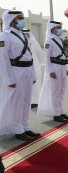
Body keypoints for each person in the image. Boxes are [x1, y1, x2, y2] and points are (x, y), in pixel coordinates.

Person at [0, 10, 40, 141]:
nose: (23, 20)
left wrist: (33, 74)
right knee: (17, 102)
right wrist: (8, 78)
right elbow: (3, 59)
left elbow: (30, 56)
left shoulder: (24, 35)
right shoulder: (5, 36)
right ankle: (17, 129)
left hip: (27, 71)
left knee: (26, 101)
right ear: (11, 20)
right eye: (20, 18)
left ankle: (25, 126)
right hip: (16, 72)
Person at [37, 21, 68, 122]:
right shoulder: (49, 41)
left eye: (60, 27)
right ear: (52, 29)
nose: (60, 29)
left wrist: (65, 68)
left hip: (62, 66)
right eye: (58, 27)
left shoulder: (60, 40)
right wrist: (50, 71)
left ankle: (60, 111)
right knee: (55, 92)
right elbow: (47, 57)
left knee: (61, 90)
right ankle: (56, 114)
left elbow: (63, 55)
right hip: (54, 68)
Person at [22, 29, 43, 109]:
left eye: (28, 33)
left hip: (35, 66)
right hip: (25, 67)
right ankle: (29, 101)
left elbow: (39, 53)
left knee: (36, 83)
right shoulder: (21, 42)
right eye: (25, 34)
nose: (27, 35)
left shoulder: (34, 43)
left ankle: (36, 100)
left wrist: (40, 64)